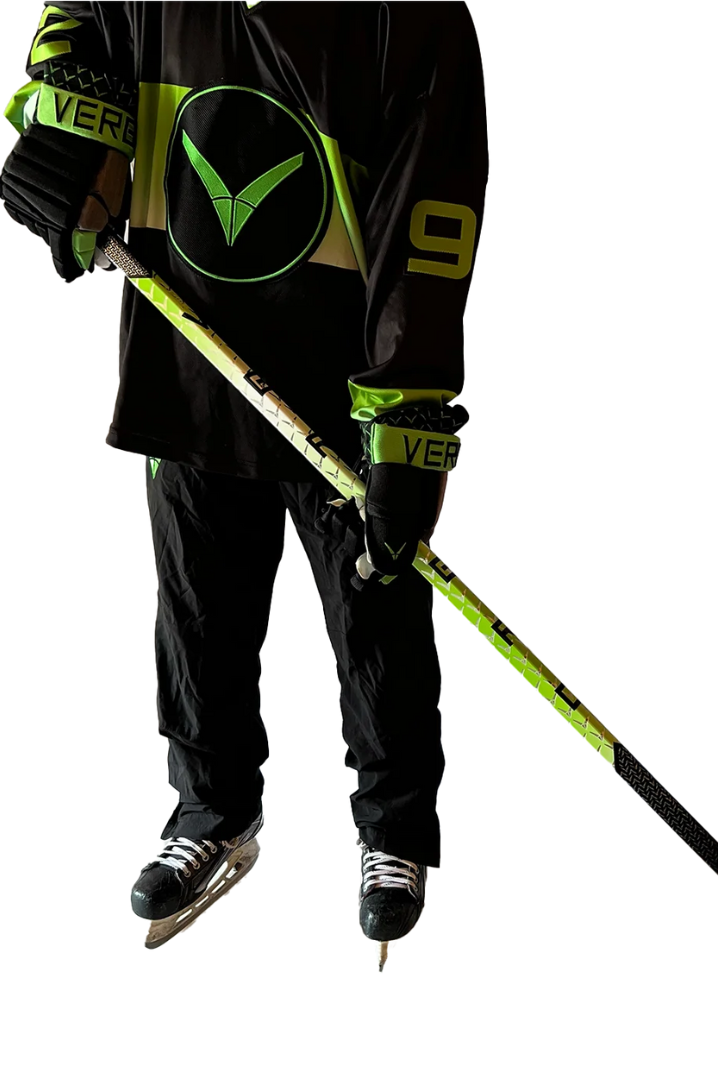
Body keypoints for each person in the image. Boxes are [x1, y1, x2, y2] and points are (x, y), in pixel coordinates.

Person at [0, 1, 487, 956]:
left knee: (376, 605)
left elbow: (432, 213)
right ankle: (210, 809)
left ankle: (394, 828)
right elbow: (79, 20)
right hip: (188, 347)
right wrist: (71, 120)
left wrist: (408, 413)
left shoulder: (412, 14)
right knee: (197, 606)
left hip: (341, 385)